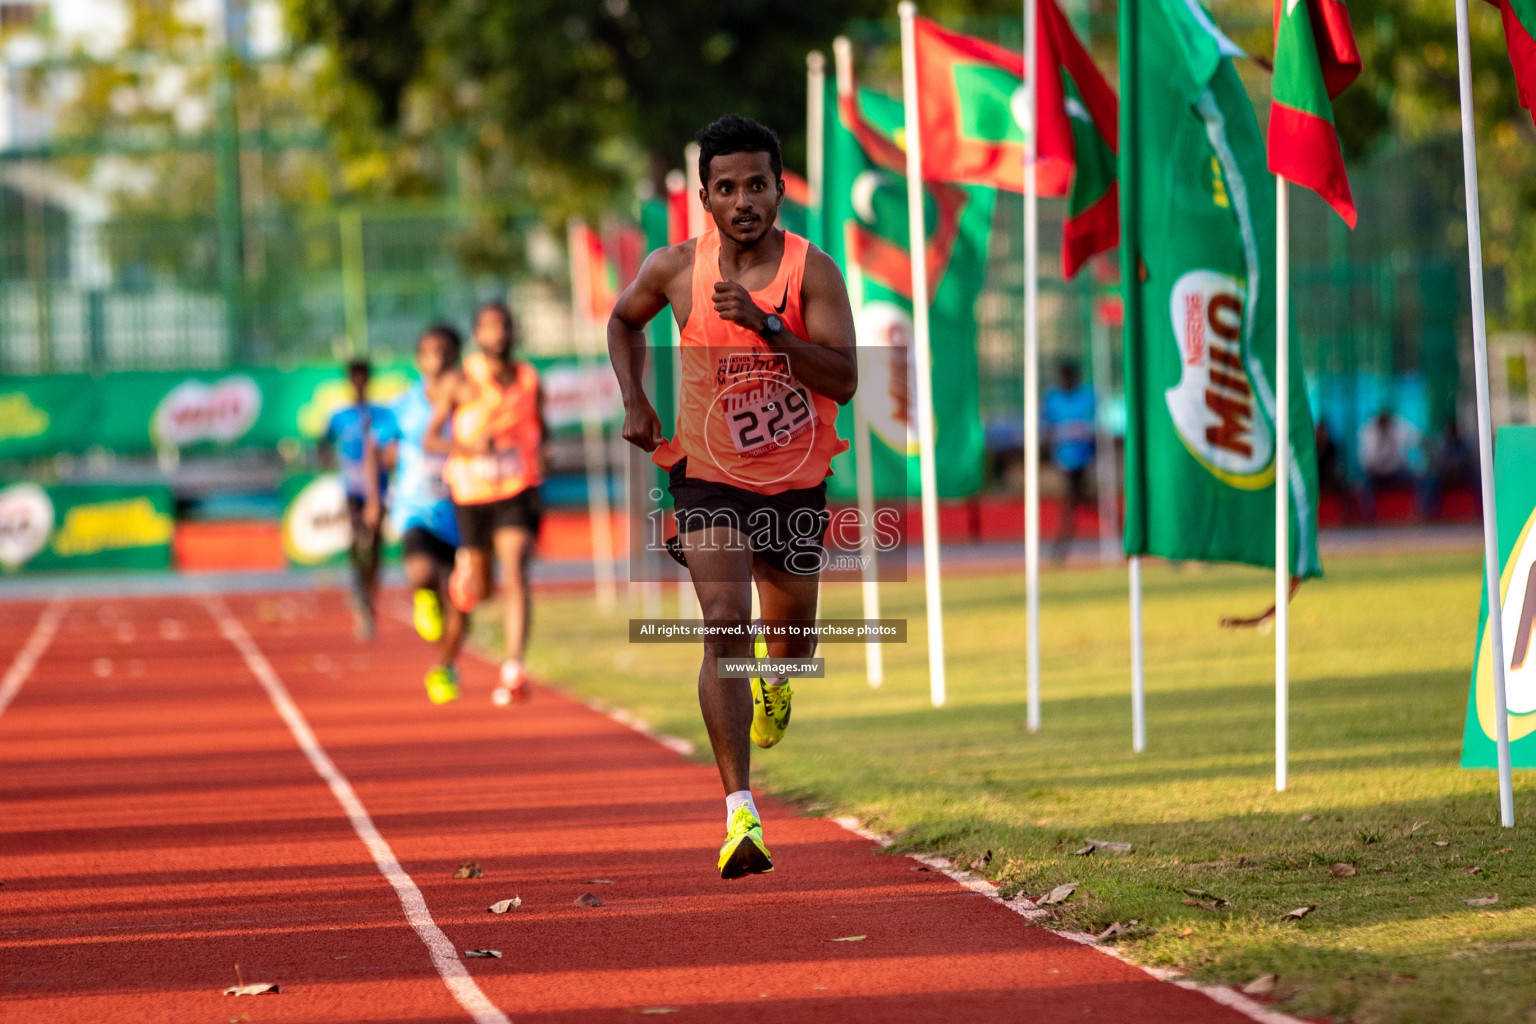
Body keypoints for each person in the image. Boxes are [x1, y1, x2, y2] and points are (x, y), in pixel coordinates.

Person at [607, 114, 857, 879]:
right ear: (706, 199)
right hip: (707, 476)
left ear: (781, 188)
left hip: (794, 484)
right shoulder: (676, 268)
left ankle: (778, 685)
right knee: (723, 620)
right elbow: (623, 320)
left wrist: (773, 329)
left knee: (791, 643)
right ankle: (739, 812)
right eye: (726, 188)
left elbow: (844, 379)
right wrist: (636, 399)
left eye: (757, 184)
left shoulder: (812, 273)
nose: (743, 199)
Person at [425, 301, 545, 707]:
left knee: (516, 570)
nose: (500, 333)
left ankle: (513, 668)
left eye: (505, 325)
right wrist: (469, 447)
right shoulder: (461, 381)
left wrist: (541, 455)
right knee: (482, 589)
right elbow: (431, 439)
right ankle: (467, 574)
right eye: (491, 327)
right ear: (477, 335)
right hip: (472, 493)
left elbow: (539, 429)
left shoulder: (529, 379)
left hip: (515, 488)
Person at [390, 325, 469, 703]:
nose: (437, 358)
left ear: (456, 355)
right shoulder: (404, 404)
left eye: (445, 351)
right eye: (429, 351)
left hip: (464, 509)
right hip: (416, 509)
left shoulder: (470, 400)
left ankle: (446, 666)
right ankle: (424, 596)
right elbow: (382, 447)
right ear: (419, 359)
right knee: (422, 573)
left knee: (462, 601)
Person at [320, 358, 401, 641]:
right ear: (348, 381)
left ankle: (369, 592)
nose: (358, 383)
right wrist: (328, 461)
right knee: (357, 538)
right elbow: (323, 441)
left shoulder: (383, 414)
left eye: (362, 377)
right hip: (353, 489)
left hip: (378, 488)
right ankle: (358, 587)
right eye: (353, 378)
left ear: (368, 380)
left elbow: (394, 446)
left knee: (376, 543)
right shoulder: (339, 416)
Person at [1042, 359, 1095, 563]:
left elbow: (1096, 425)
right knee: (1077, 499)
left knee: (1073, 501)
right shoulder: (1052, 398)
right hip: (1064, 460)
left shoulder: (1088, 396)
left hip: (1085, 459)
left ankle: (1060, 548)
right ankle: (1060, 547)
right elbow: (1047, 427)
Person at [1357, 409, 1420, 521]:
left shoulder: (1397, 429)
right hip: (1376, 475)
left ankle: (1418, 514)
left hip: (1395, 472)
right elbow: (1366, 460)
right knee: (1365, 488)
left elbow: (1415, 440)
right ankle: (1368, 519)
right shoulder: (1369, 432)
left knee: (1417, 482)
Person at [1420, 417, 1477, 519]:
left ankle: (1481, 511)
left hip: (1462, 475)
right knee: (1431, 481)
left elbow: (1468, 461)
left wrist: (1456, 467)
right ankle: (1430, 514)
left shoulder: (1463, 444)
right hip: (1446, 476)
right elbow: (1439, 462)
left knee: (1480, 480)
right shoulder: (1443, 443)